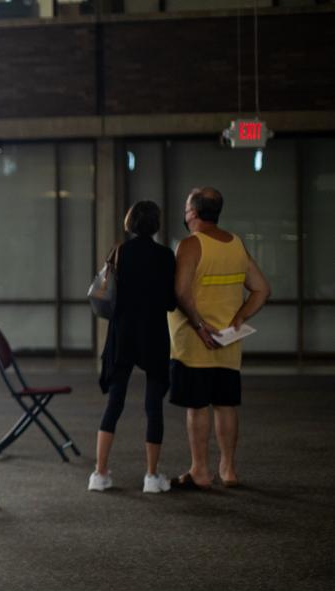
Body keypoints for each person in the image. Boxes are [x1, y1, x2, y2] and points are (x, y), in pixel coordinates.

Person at [168, 187, 271, 490]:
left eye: (187, 208)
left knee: (197, 407)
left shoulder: (190, 245)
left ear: (193, 213)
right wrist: (238, 319)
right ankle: (228, 470)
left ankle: (200, 471)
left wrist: (200, 326)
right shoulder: (236, 245)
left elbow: (181, 292)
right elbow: (262, 289)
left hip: (194, 343)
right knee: (226, 405)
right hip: (227, 343)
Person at [90, 201, 177, 494]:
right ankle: (152, 477)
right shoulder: (165, 256)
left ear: (130, 222)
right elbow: (170, 302)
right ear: (156, 224)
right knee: (153, 406)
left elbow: (109, 296)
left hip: (123, 334)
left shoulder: (119, 252)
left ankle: (99, 474)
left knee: (114, 403)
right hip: (153, 334)